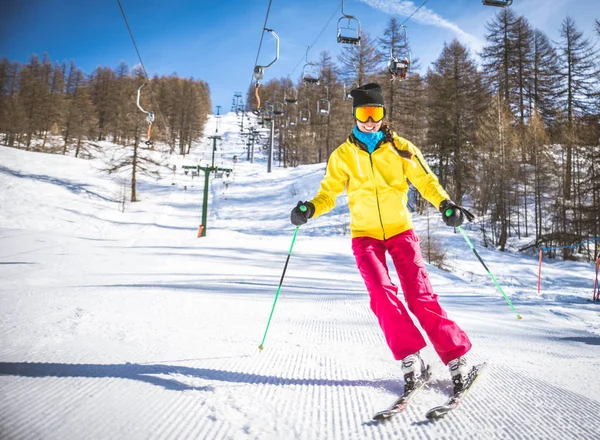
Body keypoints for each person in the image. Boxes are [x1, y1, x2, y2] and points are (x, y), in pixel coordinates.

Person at [289, 83, 475, 395]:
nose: (369, 120)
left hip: (400, 230)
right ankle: (410, 357)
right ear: (354, 115)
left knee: (419, 295)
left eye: (375, 113)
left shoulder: (401, 147)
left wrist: (445, 204)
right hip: (365, 236)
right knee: (381, 293)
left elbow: (426, 180)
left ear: (383, 114)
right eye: (363, 113)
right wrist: (309, 209)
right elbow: (328, 194)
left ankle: (457, 357)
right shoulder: (342, 155)